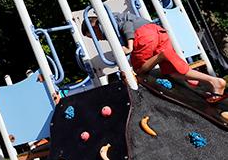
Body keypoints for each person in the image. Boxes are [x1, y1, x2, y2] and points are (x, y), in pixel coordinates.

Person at [83, 11, 226, 103]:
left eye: (94, 37)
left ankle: (161, 56)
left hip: (143, 36)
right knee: (172, 72)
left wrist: (129, 46)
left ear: (94, 27)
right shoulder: (112, 18)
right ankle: (214, 81)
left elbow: (127, 25)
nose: (98, 39)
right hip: (157, 31)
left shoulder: (105, 24)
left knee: (138, 70)